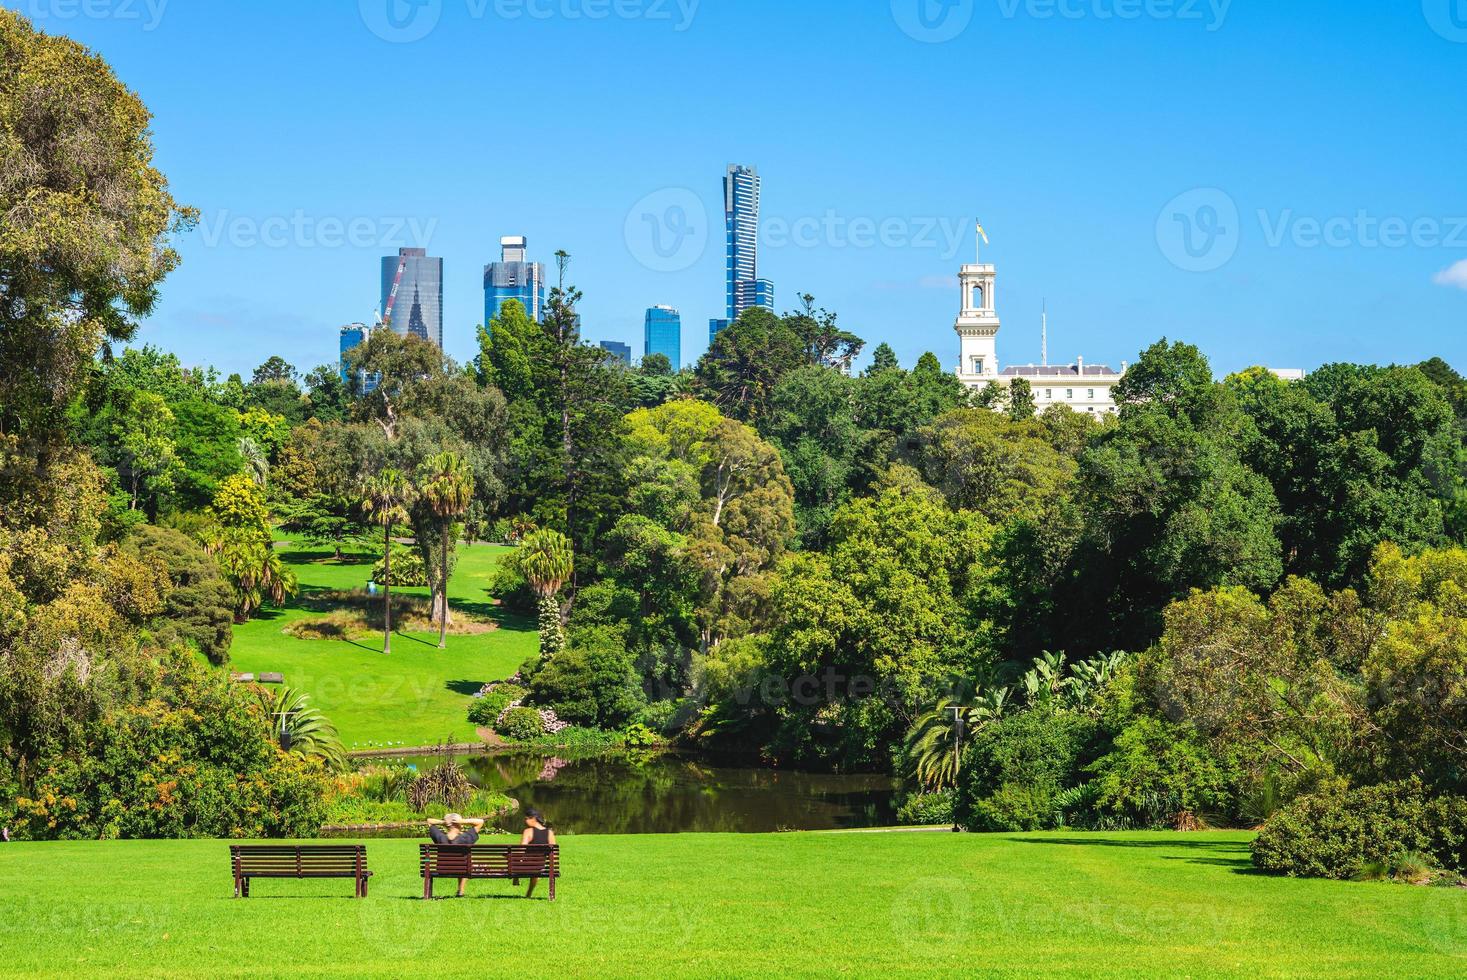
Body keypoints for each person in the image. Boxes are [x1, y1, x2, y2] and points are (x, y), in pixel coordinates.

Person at [426, 812, 484, 898]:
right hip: (463, 869)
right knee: (464, 864)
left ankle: (460, 891)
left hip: (442, 870)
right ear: (459, 824)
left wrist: (444, 822)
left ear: (447, 826)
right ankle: (460, 891)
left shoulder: (440, 837)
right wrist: (462, 821)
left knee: (463, 863)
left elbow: (429, 821)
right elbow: (480, 822)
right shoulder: (465, 837)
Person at [519, 808, 557, 899]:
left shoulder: (528, 831)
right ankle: (529, 893)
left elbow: (520, 850)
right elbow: (554, 854)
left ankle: (516, 878)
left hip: (526, 865)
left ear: (533, 818)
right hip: (540, 866)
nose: (525, 821)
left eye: (526, 819)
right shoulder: (550, 833)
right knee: (536, 870)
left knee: (510, 856)